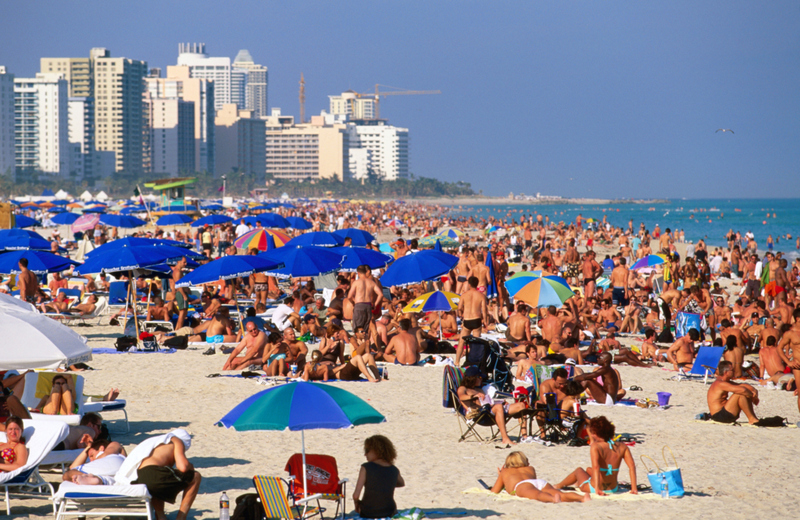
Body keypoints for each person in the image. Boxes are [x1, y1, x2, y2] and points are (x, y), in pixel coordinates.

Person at [555, 416, 638, 495]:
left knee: (579, 470)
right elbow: (632, 466)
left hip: (594, 487)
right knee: (588, 470)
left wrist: (597, 489)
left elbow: (596, 467)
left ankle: (558, 485)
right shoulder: (623, 446)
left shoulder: (596, 446)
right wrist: (634, 488)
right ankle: (578, 482)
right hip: (613, 488)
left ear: (596, 433)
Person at [457, 366, 527, 446]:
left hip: (491, 409)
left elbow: (489, 402)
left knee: (521, 405)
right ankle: (505, 438)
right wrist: (475, 396)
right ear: (473, 378)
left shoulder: (479, 389)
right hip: (482, 414)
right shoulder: (463, 388)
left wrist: (501, 401)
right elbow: (461, 396)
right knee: (499, 407)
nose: (481, 379)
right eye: (479, 377)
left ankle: (524, 436)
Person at [491, 451, 588, 503]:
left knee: (537, 494)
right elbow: (532, 481)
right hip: (540, 482)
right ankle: (582, 498)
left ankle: (553, 499)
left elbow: (494, 491)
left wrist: (501, 476)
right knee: (560, 493)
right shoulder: (530, 468)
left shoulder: (505, 471)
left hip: (522, 486)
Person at [352, 435, 404, 519]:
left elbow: (355, 496)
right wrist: (385, 482)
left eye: (367, 450)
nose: (365, 454)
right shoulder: (394, 469)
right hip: (389, 511)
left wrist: (356, 505)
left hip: (368, 512)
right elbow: (401, 483)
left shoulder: (366, 467)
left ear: (377, 450)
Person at [707, 360, 760, 425]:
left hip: (725, 412)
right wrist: (752, 396)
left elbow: (741, 385)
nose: (734, 372)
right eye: (732, 370)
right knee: (739, 394)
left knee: (742, 392)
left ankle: (753, 418)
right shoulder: (720, 384)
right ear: (726, 372)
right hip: (719, 416)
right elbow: (743, 390)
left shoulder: (724, 381)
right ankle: (752, 419)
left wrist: (754, 390)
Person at [456, 276, 488, 365]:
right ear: (477, 284)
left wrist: (461, 315)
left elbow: (459, 308)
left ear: (469, 284)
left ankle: (457, 361)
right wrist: (485, 321)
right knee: (476, 343)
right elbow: (484, 310)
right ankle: (475, 361)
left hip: (467, 320)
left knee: (461, 343)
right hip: (477, 320)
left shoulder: (464, 294)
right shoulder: (481, 295)